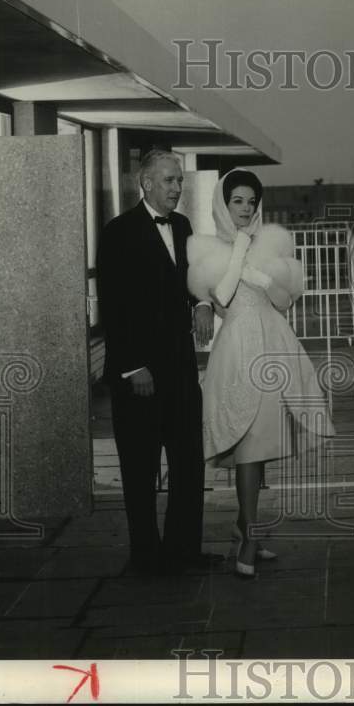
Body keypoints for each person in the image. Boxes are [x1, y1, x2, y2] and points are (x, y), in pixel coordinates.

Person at [187, 168, 335, 577]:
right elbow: (221, 297)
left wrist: (261, 273)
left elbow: (285, 301)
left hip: (275, 348)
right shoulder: (205, 249)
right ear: (223, 203)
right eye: (237, 200)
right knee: (248, 442)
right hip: (237, 350)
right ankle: (250, 535)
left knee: (261, 441)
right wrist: (239, 252)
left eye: (251, 201)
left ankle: (244, 525)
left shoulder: (272, 241)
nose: (245, 208)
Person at [97, 149, 222, 575]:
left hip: (180, 369)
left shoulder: (182, 225)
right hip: (138, 373)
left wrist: (202, 302)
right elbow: (113, 304)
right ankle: (146, 559)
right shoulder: (118, 232)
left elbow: (190, 278)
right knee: (140, 467)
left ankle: (184, 551)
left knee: (188, 463)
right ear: (146, 183)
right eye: (169, 180)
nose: (177, 188)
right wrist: (133, 366)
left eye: (180, 180)